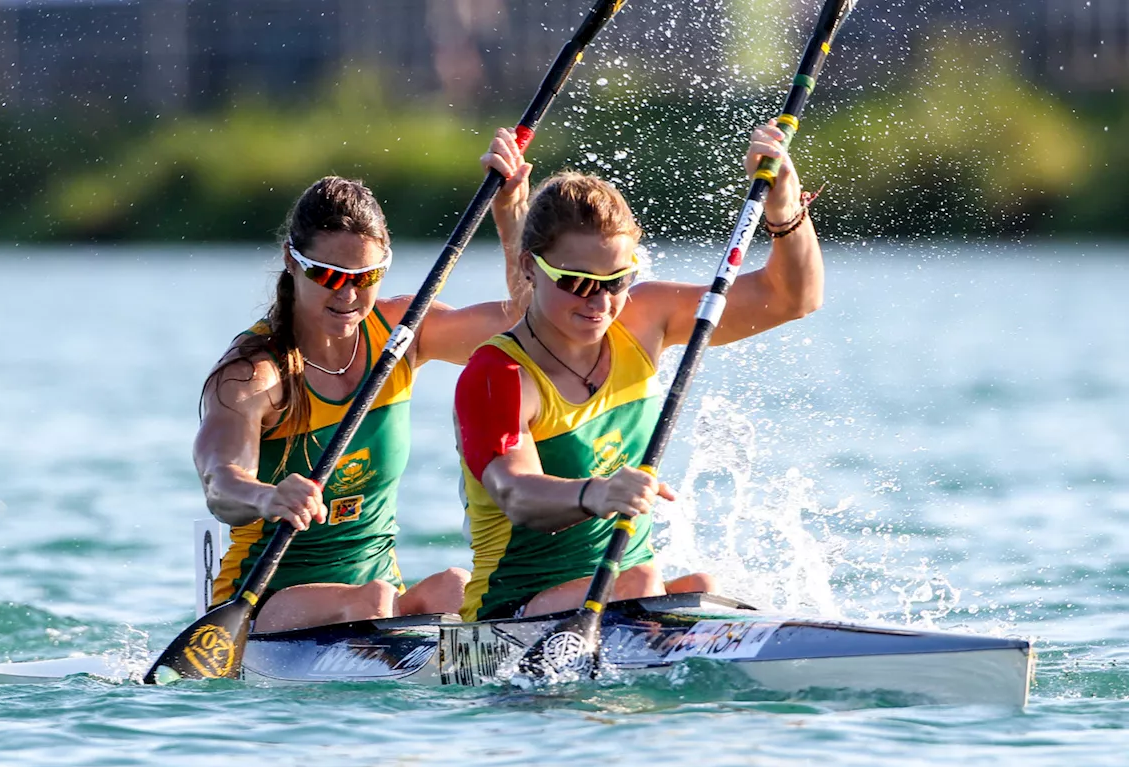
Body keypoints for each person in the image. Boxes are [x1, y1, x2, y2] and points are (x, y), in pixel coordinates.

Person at [455, 122, 824, 622]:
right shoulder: (498, 373)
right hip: (512, 613)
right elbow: (517, 494)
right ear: (529, 265)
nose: (601, 303)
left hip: (618, 594)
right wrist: (599, 493)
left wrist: (783, 209)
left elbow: (792, 299)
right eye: (578, 283)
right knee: (646, 580)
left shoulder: (644, 317)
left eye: (618, 280)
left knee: (703, 586)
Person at [197, 128, 533, 633]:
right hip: (265, 604)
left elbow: (532, 331)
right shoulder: (253, 375)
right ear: (293, 261)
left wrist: (511, 217)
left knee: (455, 585)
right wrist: (265, 496)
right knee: (372, 599)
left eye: (366, 277)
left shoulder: (399, 335)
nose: (349, 295)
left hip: (378, 604)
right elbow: (219, 483)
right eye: (330, 276)